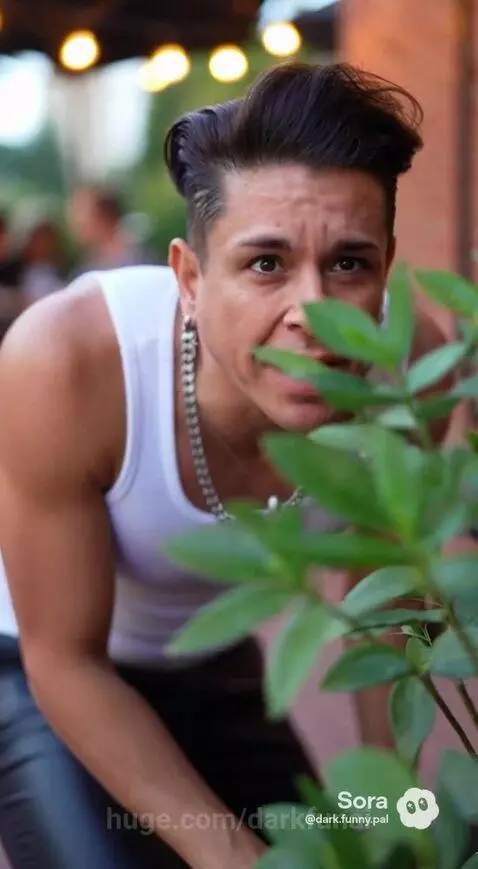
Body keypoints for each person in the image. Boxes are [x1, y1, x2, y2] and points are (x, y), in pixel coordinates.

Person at [0, 62, 451, 869]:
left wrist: (395, 820)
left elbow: (389, 632)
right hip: (42, 667)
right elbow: (62, 660)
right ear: (189, 276)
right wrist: (232, 855)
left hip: (212, 659)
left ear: (386, 261)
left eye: (348, 264)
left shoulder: (414, 376)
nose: (311, 315)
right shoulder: (68, 363)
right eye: (266, 264)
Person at [68, 185, 153, 275]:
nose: (74, 220)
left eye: (80, 212)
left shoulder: (139, 260)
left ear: (102, 217)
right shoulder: (88, 265)